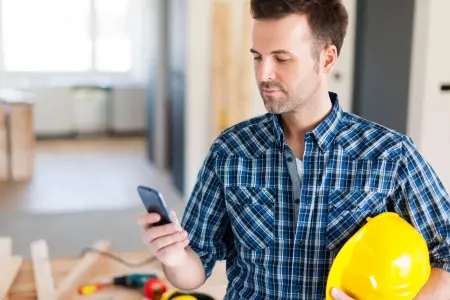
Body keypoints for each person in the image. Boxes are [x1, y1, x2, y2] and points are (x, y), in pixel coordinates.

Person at [137, 0, 450, 299]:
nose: (263, 74)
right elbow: (194, 271)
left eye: (281, 58)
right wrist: (175, 256)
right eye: (257, 57)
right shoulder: (230, 151)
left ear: (326, 59)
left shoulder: (390, 154)